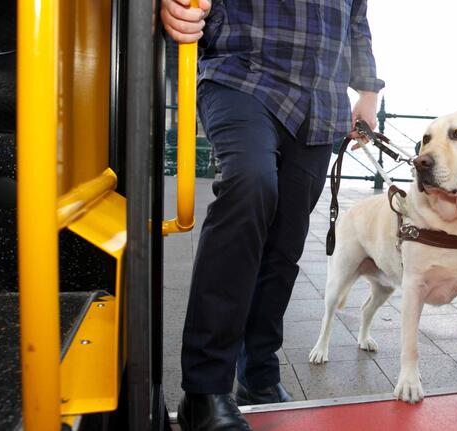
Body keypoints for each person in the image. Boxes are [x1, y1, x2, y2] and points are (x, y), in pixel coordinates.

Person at [160, 1, 384, 429]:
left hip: (321, 103)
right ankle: (204, 390)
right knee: (250, 185)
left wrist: (368, 93)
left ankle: (259, 377)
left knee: (285, 244)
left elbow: (357, 22)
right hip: (242, 76)